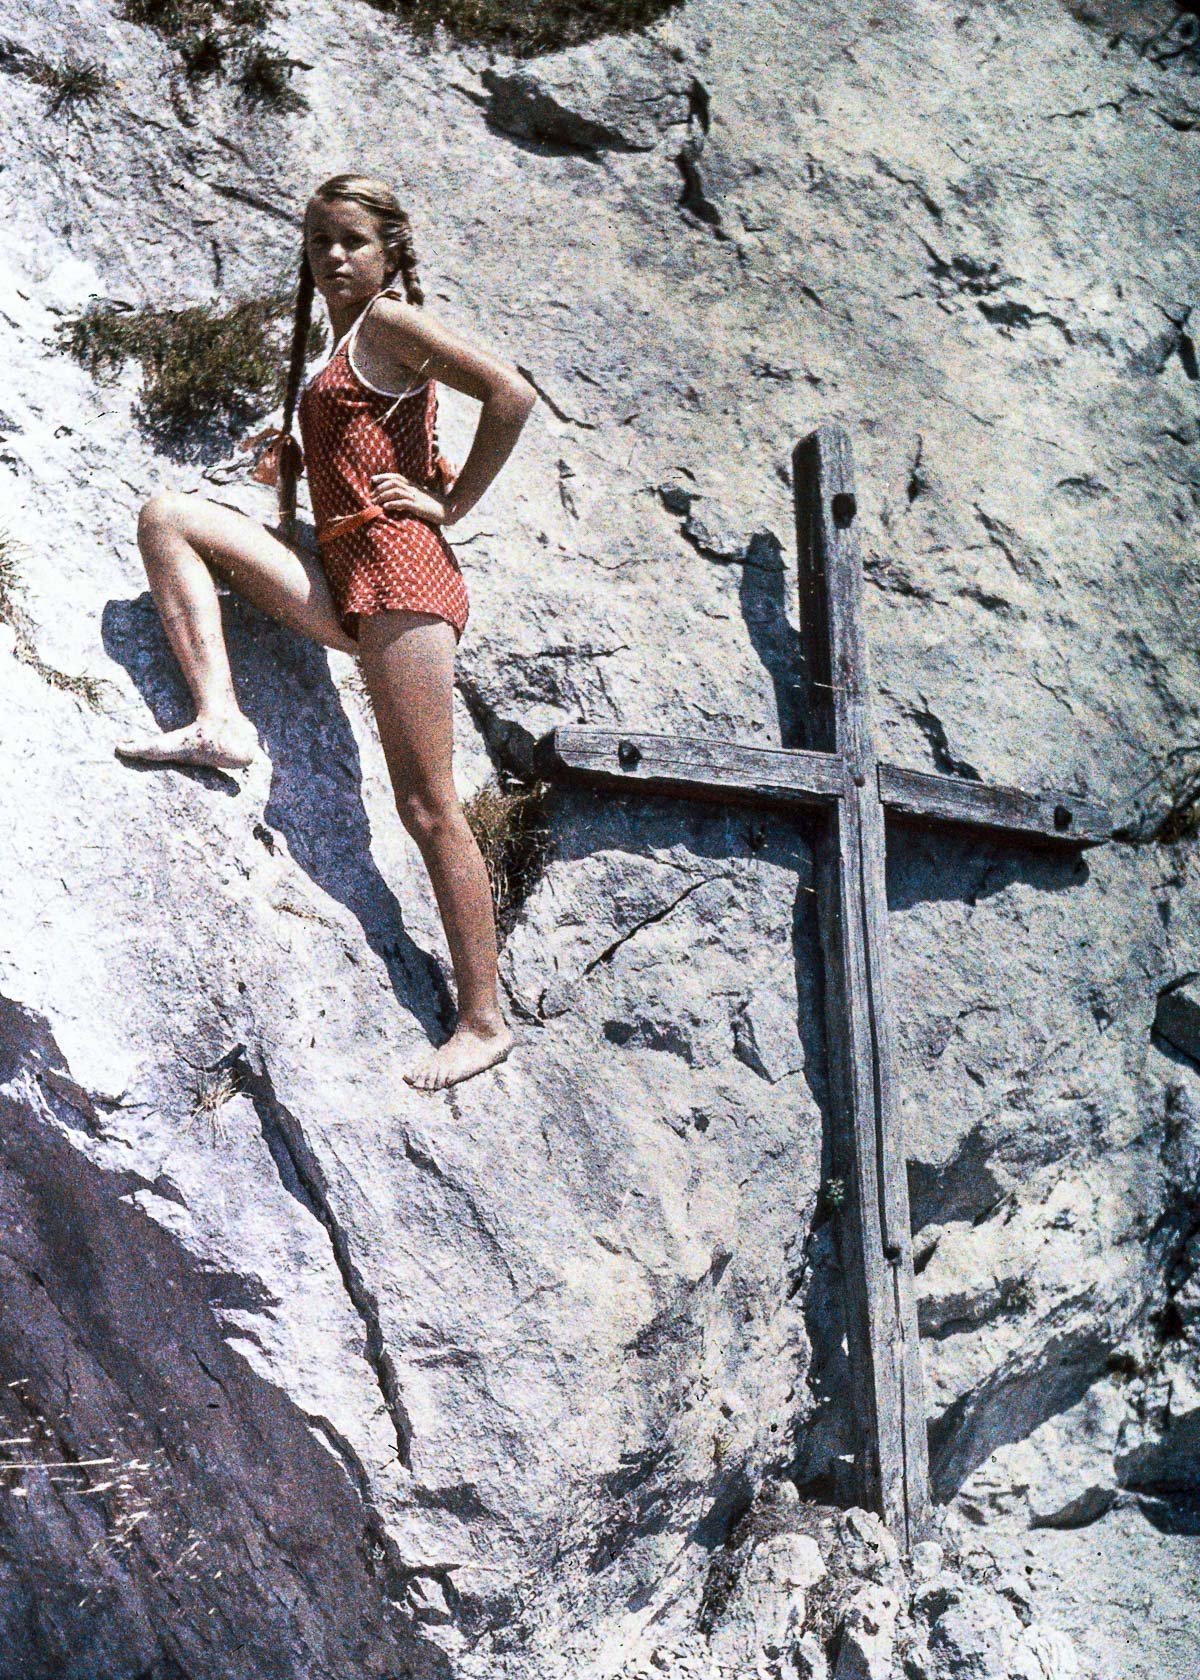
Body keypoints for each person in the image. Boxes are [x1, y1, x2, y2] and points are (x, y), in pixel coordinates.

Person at [116, 172, 537, 1091]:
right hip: (346, 568)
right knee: (169, 516)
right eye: (319, 244)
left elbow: (510, 395)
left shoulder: (388, 323)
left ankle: (483, 1020)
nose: (334, 257)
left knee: (428, 806)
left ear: (390, 250)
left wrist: (450, 506)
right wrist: (295, 461)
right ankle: (220, 719)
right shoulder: (347, 345)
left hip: (402, 575)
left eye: (351, 240)